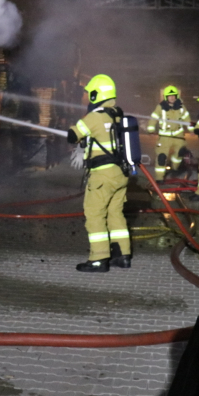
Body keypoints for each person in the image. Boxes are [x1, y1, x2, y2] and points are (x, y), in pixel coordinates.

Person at [66, 74, 131, 272]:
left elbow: (73, 135)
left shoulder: (94, 117)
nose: (87, 98)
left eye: (89, 94)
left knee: (94, 215)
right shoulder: (117, 114)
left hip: (102, 176)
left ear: (96, 94)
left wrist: (72, 131)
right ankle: (123, 256)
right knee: (115, 214)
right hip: (121, 175)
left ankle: (99, 259)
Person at [146, 85, 190, 180]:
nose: (172, 97)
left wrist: (192, 130)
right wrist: (151, 130)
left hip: (179, 136)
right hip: (164, 137)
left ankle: (175, 169)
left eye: (174, 95)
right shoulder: (160, 107)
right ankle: (159, 178)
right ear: (166, 97)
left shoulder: (181, 107)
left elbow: (187, 119)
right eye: (170, 96)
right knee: (161, 157)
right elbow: (153, 118)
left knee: (179, 153)